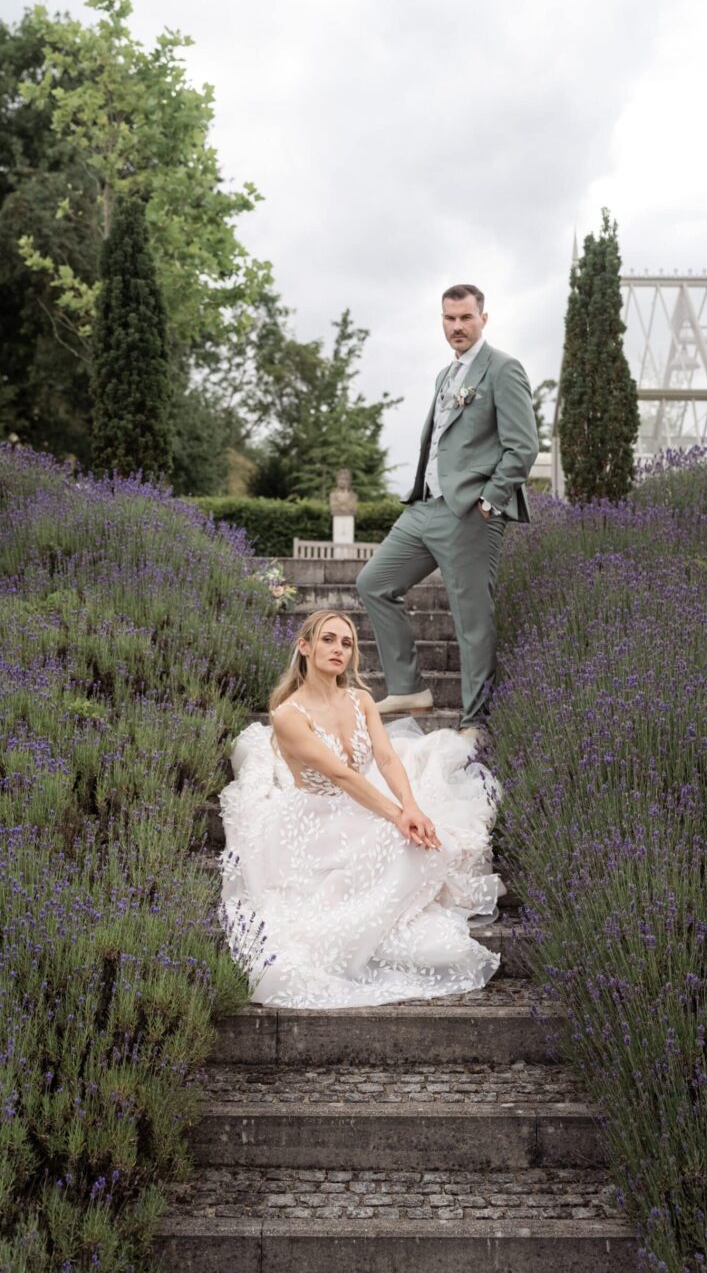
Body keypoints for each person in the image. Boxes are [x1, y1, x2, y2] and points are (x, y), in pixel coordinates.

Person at [218, 609, 504, 1009]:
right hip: (313, 823)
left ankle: (386, 901)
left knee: (434, 846)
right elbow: (342, 777)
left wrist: (412, 806)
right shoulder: (287, 715)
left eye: (347, 643)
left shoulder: (361, 699)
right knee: (406, 844)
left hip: (362, 807)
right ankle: (358, 923)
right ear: (304, 646)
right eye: (328, 639)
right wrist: (397, 816)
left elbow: (386, 759)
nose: (339, 649)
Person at [357, 283, 539, 738]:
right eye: (449, 318)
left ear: (483, 318)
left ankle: (475, 721)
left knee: (471, 620)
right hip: (424, 507)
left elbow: (523, 446)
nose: (456, 327)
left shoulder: (503, 369)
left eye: (465, 318)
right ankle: (409, 687)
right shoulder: (445, 375)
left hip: (471, 514)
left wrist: (489, 500)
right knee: (374, 583)